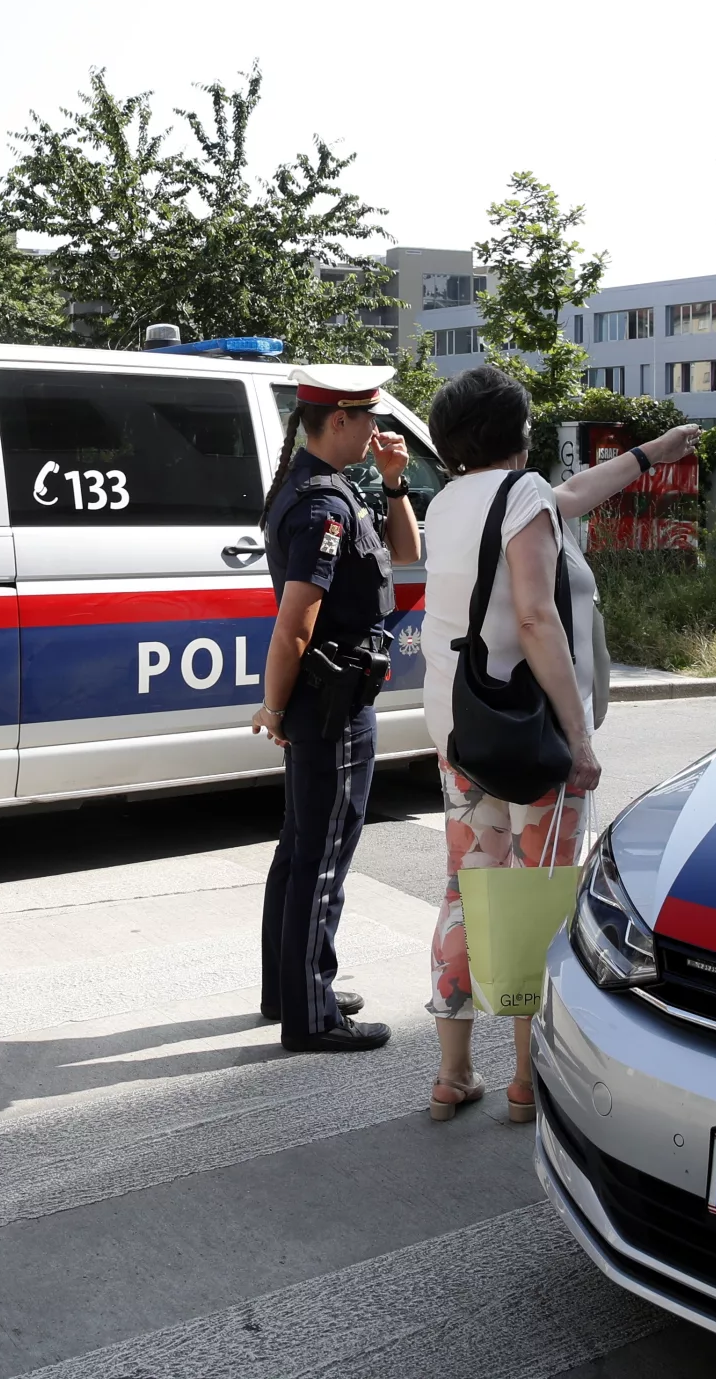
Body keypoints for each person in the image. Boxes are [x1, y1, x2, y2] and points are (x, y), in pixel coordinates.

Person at [417, 365, 699, 1120]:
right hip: (534, 738)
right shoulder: (524, 497)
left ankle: (451, 1073)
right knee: (540, 895)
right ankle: (524, 1079)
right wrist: (581, 737)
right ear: (520, 433)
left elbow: (569, 495)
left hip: (464, 731)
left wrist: (649, 454)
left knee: (467, 887)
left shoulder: (450, 500)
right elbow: (537, 619)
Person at [249, 365, 422, 1052]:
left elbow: (406, 552)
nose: (377, 430)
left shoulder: (330, 488)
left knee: (300, 850)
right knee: (321, 860)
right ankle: (312, 1016)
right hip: (333, 706)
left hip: (325, 702)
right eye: (370, 418)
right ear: (341, 420)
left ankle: (288, 990)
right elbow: (294, 624)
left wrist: (395, 481)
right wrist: (274, 707)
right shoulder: (323, 505)